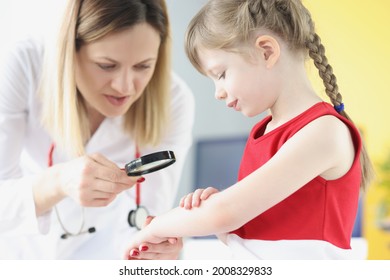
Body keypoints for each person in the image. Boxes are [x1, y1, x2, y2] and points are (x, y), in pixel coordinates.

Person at [124, 0, 374, 260]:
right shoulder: (262, 134)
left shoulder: (325, 132)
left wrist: (156, 228)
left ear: (266, 51)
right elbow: (248, 236)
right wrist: (221, 223)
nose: (218, 93)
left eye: (220, 74)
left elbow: (227, 212)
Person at [0, 0, 194, 259]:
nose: (125, 87)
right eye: (106, 65)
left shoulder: (174, 99)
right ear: (71, 48)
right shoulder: (24, 65)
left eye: (143, 66)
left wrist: (156, 248)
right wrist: (58, 182)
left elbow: (147, 214)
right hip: (20, 256)